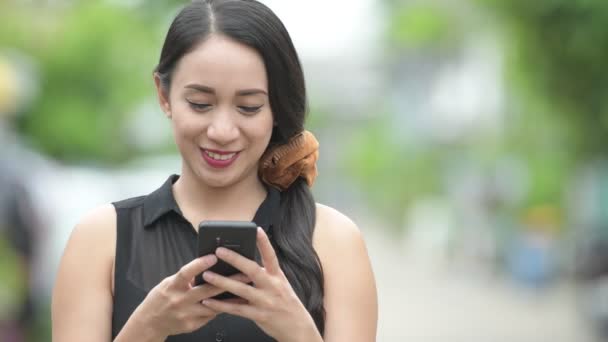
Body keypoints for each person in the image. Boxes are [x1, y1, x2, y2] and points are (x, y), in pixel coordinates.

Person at [51, 0, 377, 341]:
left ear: (277, 108)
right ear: (164, 95)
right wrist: (145, 329)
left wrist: (299, 332)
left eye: (248, 107)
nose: (222, 131)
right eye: (200, 104)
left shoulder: (334, 241)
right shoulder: (101, 239)